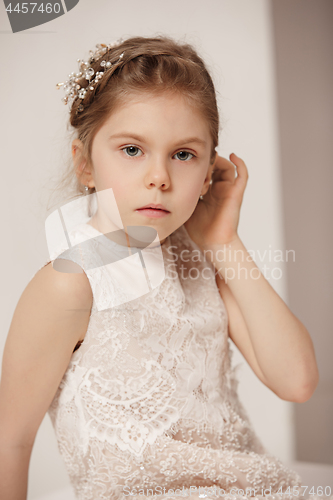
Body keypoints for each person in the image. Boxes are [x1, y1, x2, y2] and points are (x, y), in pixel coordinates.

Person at [0, 35, 327, 500]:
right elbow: (10, 440)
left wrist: (223, 240)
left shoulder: (203, 260)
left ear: (208, 172)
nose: (160, 177)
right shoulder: (72, 282)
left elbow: (297, 380)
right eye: (132, 150)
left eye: (183, 154)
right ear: (85, 164)